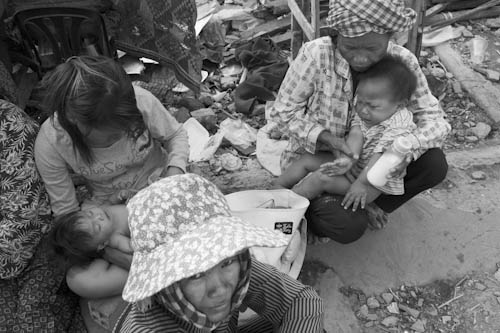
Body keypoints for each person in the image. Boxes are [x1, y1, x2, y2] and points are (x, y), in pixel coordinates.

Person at [268, 0, 451, 242]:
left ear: (389, 36)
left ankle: (367, 201)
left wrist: (398, 150)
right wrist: (330, 140)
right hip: (325, 160)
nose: (361, 58)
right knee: (344, 223)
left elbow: (435, 121)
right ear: (336, 36)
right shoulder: (316, 54)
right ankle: (301, 210)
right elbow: (282, 112)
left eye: (372, 48)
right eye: (350, 47)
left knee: (434, 163)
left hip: (374, 167)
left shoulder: (402, 61)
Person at [112, 173, 325, 332]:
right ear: (163, 281)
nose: (220, 289)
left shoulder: (235, 263)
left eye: (226, 263)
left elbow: (301, 301)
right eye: (195, 275)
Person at [34, 55, 189, 217]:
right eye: (112, 136)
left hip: (161, 180)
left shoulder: (139, 100)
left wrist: (175, 172)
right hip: (112, 206)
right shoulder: (52, 142)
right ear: (75, 121)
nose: (120, 137)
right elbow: (66, 212)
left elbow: (175, 134)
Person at [277, 55, 417, 212]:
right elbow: (356, 133)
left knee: (322, 177)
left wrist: (362, 183)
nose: (363, 110)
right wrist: (348, 159)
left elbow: (381, 158)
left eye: (372, 106)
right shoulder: (368, 112)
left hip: (372, 182)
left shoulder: (400, 124)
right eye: (360, 101)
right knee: (309, 159)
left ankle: (285, 207)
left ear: (400, 105)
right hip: (357, 166)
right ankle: (277, 188)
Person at [0, 96, 85, 331]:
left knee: (28, 321)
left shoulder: (8, 124)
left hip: (39, 235)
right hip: (10, 252)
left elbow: (26, 217)